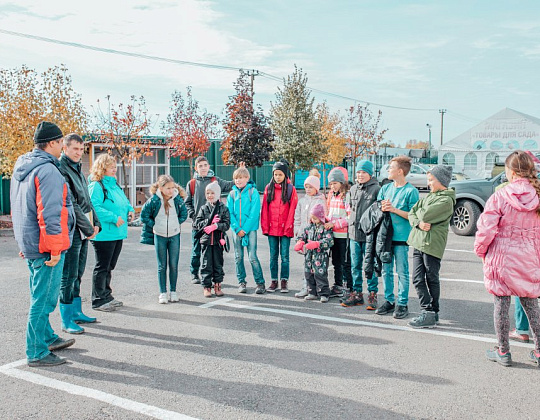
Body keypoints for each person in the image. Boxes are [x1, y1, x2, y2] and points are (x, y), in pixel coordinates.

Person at [11, 121, 76, 367]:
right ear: (51, 143)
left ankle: (47, 337)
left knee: (41, 294)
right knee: (44, 299)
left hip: (31, 243)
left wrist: (24, 242)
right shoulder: (48, 170)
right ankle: (36, 351)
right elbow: (51, 213)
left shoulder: (23, 166)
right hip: (46, 246)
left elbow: (19, 207)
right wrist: (55, 248)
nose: (62, 147)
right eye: (60, 143)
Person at [474, 150, 540, 367]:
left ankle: (503, 351)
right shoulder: (538, 196)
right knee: (532, 305)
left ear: (510, 172)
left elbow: (486, 229)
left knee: (501, 304)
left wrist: (481, 251)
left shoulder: (500, 196)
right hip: (530, 257)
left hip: (502, 258)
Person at [58, 134, 101, 335]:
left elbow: (86, 201)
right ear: (64, 148)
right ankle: (66, 319)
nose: (78, 152)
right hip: (72, 230)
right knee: (69, 274)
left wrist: (96, 223)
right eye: (74, 148)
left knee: (79, 272)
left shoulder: (78, 170)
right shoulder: (62, 170)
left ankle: (76, 311)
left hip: (83, 230)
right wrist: (87, 227)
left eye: (80, 149)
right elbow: (72, 204)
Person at [407, 165, 456, 328]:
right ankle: (429, 311)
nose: (428, 184)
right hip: (418, 241)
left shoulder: (446, 200)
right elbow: (412, 212)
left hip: (431, 244)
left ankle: (430, 312)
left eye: (431, 180)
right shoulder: (429, 196)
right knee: (417, 278)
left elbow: (425, 213)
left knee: (431, 278)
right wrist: (419, 223)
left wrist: (420, 214)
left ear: (441, 180)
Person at [88, 154, 134, 312]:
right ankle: (98, 300)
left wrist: (130, 209)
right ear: (102, 167)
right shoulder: (96, 186)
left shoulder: (114, 185)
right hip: (104, 233)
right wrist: (114, 218)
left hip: (117, 232)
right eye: (110, 165)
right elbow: (94, 208)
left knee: (109, 266)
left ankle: (107, 295)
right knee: (102, 266)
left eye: (114, 165)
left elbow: (124, 201)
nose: (114, 168)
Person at [375, 156, 419, 319]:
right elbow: (377, 208)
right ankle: (389, 300)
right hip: (385, 238)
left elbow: (413, 216)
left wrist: (393, 209)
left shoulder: (411, 191)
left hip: (401, 239)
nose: (388, 170)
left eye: (391, 167)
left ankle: (402, 303)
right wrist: (381, 208)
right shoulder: (385, 188)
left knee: (402, 271)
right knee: (386, 271)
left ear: (400, 171)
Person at [185, 156, 236, 285]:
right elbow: (188, 203)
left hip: (214, 225)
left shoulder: (216, 180)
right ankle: (194, 273)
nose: (203, 168)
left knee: (213, 253)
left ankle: (213, 277)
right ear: (196, 168)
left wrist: (239, 173)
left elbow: (230, 185)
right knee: (196, 251)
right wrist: (194, 217)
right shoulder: (192, 184)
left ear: (209, 166)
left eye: (205, 165)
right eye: (200, 166)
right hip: (199, 225)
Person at [140, 175, 188, 304]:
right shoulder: (154, 200)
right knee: (162, 265)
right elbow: (144, 215)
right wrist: (154, 225)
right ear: (161, 188)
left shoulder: (177, 200)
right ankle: (163, 293)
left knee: (173, 265)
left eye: (172, 188)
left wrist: (176, 223)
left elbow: (184, 213)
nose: (171, 190)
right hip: (159, 235)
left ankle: (173, 291)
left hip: (174, 235)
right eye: (168, 188)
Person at [341, 160, 381, 309]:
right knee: (355, 266)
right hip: (353, 234)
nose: (360, 175)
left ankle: (372, 293)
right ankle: (357, 293)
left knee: (369, 265)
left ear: (370, 174)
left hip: (369, 235)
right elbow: (349, 209)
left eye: (363, 172)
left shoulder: (376, 189)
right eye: (358, 172)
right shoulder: (353, 189)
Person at [226, 167, 266, 294]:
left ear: (247, 178)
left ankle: (260, 283)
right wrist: (237, 228)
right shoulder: (232, 194)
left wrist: (245, 229)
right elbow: (229, 213)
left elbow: (254, 213)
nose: (238, 180)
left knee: (252, 257)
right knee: (238, 257)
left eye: (241, 178)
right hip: (236, 230)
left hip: (250, 230)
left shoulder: (252, 192)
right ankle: (241, 282)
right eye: (236, 178)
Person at [261, 160, 298, 292]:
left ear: (285, 175)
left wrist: (288, 227)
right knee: (273, 256)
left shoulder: (290, 189)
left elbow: (293, 209)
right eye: (275, 174)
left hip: (285, 228)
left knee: (285, 256)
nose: (277, 177)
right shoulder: (268, 188)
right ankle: (273, 281)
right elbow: (265, 209)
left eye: (280, 174)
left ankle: (284, 281)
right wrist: (265, 227)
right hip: (272, 228)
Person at [193, 181, 231, 297]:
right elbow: (197, 224)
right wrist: (209, 221)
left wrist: (216, 226)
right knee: (206, 264)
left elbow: (227, 224)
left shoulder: (223, 208)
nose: (210, 195)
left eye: (212, 193)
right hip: (206, 241)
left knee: (218, 264)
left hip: (218, 241)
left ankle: (218, 285)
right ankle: (207, 287)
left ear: (218, 194)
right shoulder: (203, 208)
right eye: (207, 193)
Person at [293, 171, 327, 298]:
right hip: (304, 235)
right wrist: (298, 230)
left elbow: (324, 217)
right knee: (306, 263)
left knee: (317, 264)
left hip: (316, 237)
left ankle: (318, 289)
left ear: (316, 188)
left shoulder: (320, 200)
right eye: (306, 187)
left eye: (310, 187)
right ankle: (306, 287)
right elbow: (297, 216)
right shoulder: (302, 201)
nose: (307, 189)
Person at [294, 203, 334, 303]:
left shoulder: (325, 228)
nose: (313, 220)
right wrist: (300, 242)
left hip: (320, 257)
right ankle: (312, 292)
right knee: (308, 274)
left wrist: (317, 244)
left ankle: (324, 293)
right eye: (312, 218)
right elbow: (302, 236)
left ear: (320, 218)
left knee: (320, 275)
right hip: (309, 256)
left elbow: (329, 241)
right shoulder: (309, 228)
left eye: (315, 218)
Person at [325, 167, 352, 298]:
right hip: (333, 234)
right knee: (335, 261)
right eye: (330, 184)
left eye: (335, 183)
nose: (332, 186)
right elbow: (331, 213)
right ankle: (337, 285)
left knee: (343, 261)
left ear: (341, 182)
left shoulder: (346, 196)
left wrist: (334, 224)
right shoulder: (332, 195)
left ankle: (346, 286)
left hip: (343, 235)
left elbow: (350, 217)